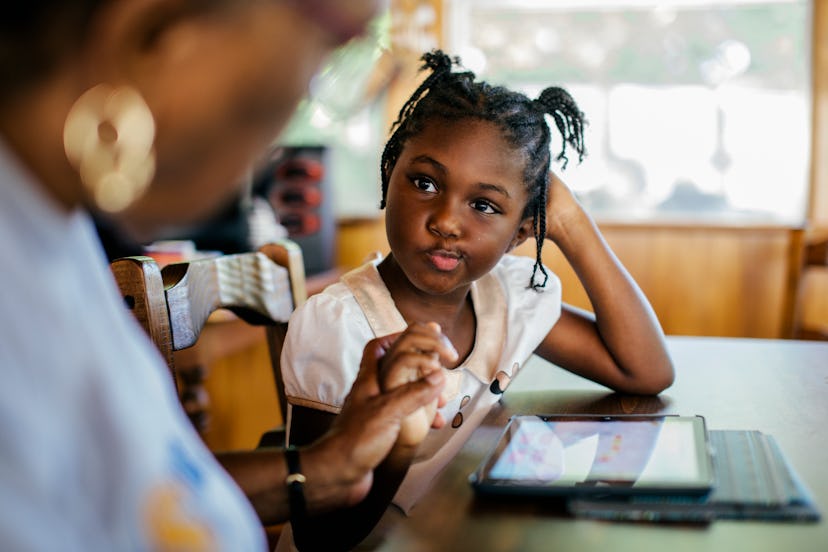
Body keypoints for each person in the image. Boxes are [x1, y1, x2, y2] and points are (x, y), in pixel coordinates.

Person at [0, 2, 456, 550]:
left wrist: (329, 464)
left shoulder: (53, 230)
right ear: (155, 31)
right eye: (330, 50)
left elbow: (134, 490)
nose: (276, 144)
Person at [280, 50, 675, 550]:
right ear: (389, 175)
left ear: (520, 234)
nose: (446, 220)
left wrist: (570, 222)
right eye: (424, 183)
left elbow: (647, 371)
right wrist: (400, 438)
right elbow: (321, 537)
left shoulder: (507, 296)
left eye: (485, 205)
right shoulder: (338, 326)